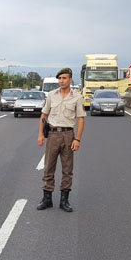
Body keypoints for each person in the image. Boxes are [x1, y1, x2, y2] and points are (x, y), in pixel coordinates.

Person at [37, 68, 85, 212]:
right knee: (48, 167)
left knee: (67, 169)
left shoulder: (77, 97)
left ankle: (65, 200)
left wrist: (77, 139)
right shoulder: (52, 95)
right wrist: (40, 134)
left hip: (68, 135)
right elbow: (44, 116)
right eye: (60, 78)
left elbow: (81, 119)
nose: (62, 81)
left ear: (70, 80)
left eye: (65, 78)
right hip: (53, 134)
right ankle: (47, 198)